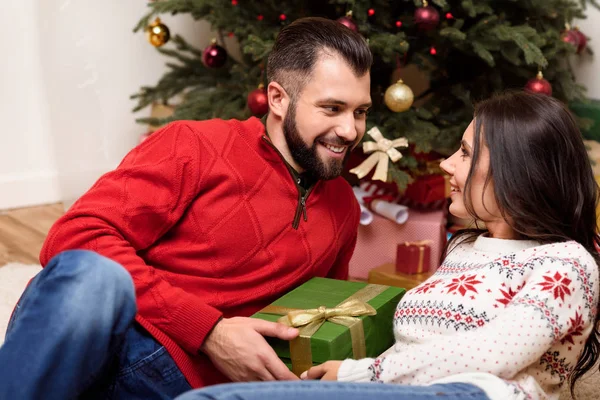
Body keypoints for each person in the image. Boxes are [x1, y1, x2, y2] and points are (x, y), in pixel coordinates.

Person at [0, 17, 372, 399]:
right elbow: (75, 237)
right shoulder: (196, 145)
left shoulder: (343, 205)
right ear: (278, 98)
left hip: (193, 391)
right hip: (118, 344)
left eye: (360, 112)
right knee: (92, 274)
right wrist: (209, 330)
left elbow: (327, 319)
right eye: (332, 108)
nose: (349, 130)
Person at [172, 91, 600, 400]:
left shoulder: (567, 262)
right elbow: (414, 348)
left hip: (481, 392)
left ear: (518, 171)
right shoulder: (464, 250)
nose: (447, 164)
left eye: (466, 153)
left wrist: (360, 373)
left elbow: (495, 353)